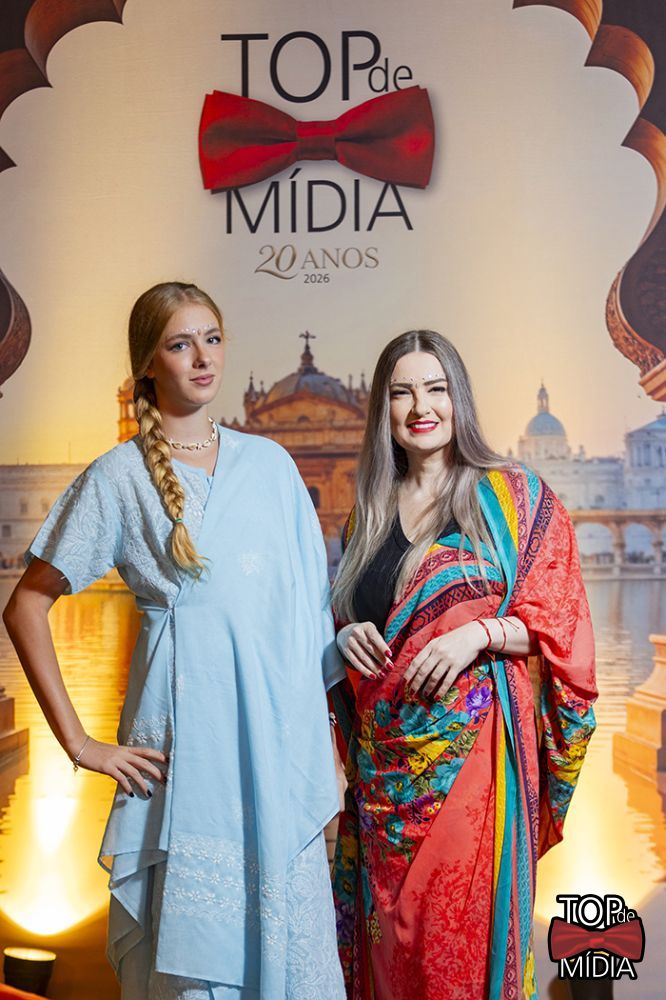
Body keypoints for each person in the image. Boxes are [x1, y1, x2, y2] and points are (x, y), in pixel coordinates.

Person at [3, 281, 347, 1000]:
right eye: (180, 344)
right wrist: (81, 745)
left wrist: (330, 735)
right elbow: (26, 604)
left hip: (272, 746)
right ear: (148, 363)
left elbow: (311, 615)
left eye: (212, 339)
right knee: (195, 968)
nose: (202, 358)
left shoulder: (272, 466)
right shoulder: (119, 477)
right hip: (184, 749)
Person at [329, 330, 597, 1000]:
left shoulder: (513, 500)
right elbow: (349, 633)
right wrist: (343, 636)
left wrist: (478, 634)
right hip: (381, 784)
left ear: (460, 398)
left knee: (459, 955)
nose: (421, 406)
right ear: (383, 409)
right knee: (389, 960)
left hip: (476, 771)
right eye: (402, 392)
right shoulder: (363, 520)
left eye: (436, 388)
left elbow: (561, 625)